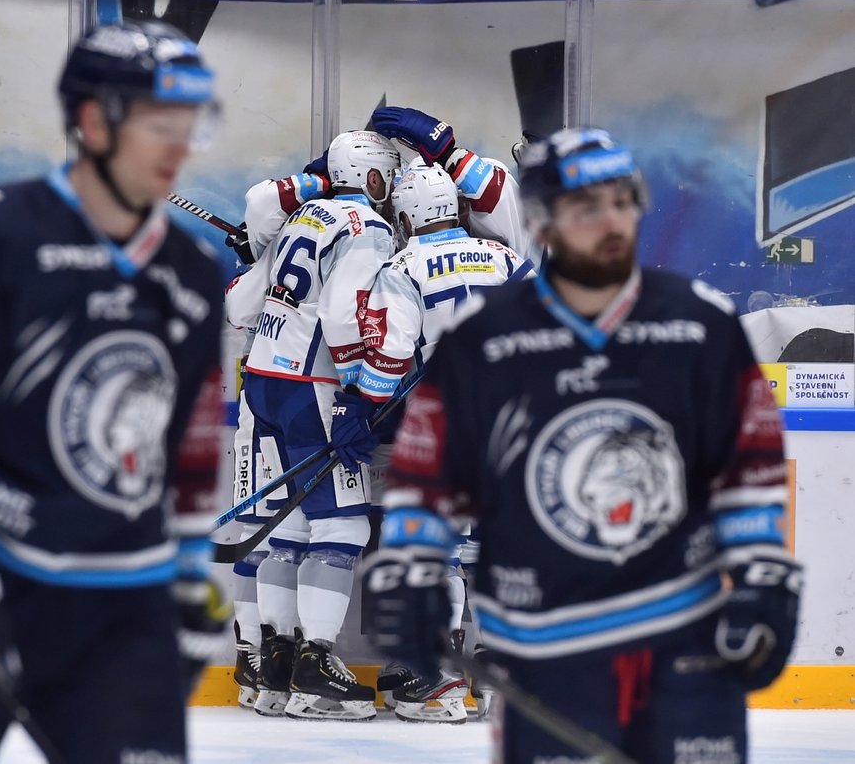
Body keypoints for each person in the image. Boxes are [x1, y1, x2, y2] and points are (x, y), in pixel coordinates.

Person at [0, 20, 231, 764]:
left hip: (126, 608)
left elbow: (189, 448)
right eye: (161, 125)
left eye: (190, 126)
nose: (180, 147)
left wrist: (187, 579)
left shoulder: (190, 270)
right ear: (93, 121)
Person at [361, 127, 803, 760]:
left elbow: (750, 470)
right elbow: (429, 478)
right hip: (547, 649)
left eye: (622, 200)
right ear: (540, 221)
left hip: (684, 642)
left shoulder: (700, 323)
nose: (611, 220)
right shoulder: (483, 340)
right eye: (585, 207)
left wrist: (762, 570)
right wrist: (411, 567)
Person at [329, 161, 531, 723]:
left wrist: (360, 406)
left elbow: (390, 358)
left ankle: (437, 680)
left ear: (405, 214)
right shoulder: (509, 261)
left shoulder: (404, 267)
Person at [238, 129, 399, 720]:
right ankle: (316, 666)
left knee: (295, 523)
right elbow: (343, 311)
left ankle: (276, 663)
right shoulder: (371, 228)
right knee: (344, 529)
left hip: (265, 377)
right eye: (387, 175)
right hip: (313, 386)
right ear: (372, 177)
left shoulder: (304, 212)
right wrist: (359, 394)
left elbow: (252, 295)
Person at [222, 159, 333, 709]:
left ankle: (259, 658)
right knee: (306, 533)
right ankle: (271, 660)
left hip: (258, 399)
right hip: (308, 394)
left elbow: (236, 310)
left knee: (259, 532)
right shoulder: (352, 232)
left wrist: (251, 260)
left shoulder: (289, 231)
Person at [370, 105, 543, 268]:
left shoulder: (402, 268)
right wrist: (446, 153)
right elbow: (493, 191)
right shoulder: (502, 257)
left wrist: (446, 152)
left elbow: (493, 191)